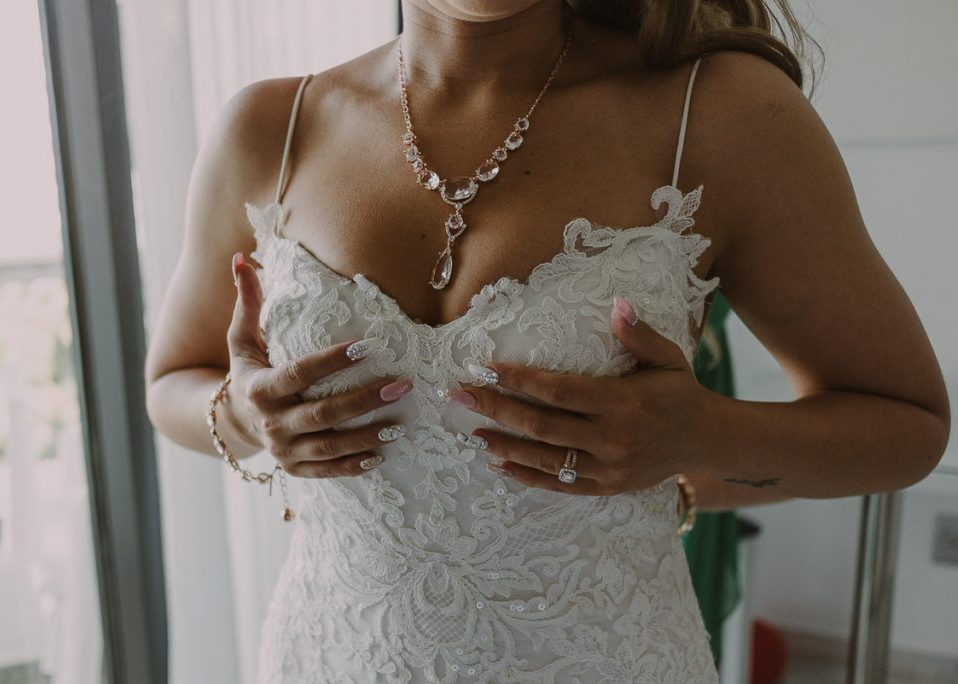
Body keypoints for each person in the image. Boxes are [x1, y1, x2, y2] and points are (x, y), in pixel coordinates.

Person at [144, 0, 951, 681]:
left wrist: (701, 432)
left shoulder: (721, 115)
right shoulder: (269, 129)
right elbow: (172, 380)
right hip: (329, 655)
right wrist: (243, 416)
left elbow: (907, 426)